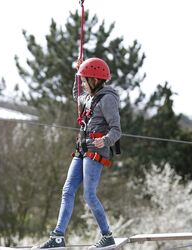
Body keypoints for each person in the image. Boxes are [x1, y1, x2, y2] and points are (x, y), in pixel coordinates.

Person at [32, 57, 121, 249]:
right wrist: (77, 71)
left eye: (84, 80)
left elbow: (116, 130)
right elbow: (76, 94)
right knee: (67, 190)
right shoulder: (89, 97)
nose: (82, 84)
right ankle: (58, 237)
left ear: (94, 80)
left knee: (89, 195)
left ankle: (107, 236)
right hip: (82, 148)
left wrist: (103, 141)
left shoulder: (108, 100)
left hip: (95, 150)